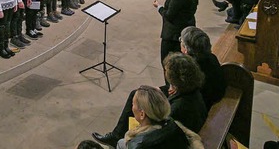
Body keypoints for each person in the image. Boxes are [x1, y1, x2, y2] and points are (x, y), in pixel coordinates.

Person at [93, 27, 224, 147]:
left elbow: (160, 125)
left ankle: (117, 137)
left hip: (187, 107)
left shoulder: (178, 107)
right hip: (188, 94)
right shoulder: (208, 60)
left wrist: (162, 96)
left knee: (138, 97)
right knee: (138, 92)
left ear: (186, 48)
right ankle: (116, 134)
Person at [114, 85, 203, 149]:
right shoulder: (173, 125)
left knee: (120, 143)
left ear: (142, 114)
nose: (132, 107)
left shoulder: (136, 144)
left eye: (133, 104)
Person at [153, 0, 200, 67]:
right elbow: (181, 8)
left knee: (168, 63)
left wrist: (159, 7)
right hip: (186, 29)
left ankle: (168, 83)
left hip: (173, 35)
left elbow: (169, 15)